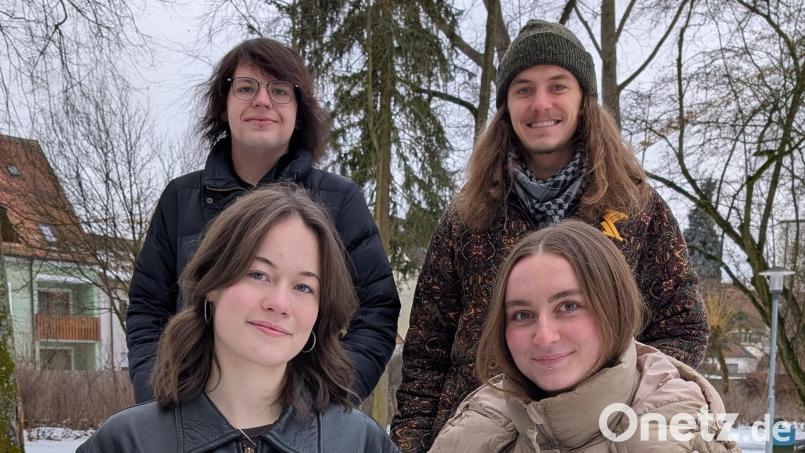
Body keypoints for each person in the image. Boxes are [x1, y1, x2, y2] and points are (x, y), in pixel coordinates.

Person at [392, 19, 709, 452]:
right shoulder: (467, 217)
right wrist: (412, 444)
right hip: (483, 437)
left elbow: (682, 327)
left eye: (557, 86)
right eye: (523, 89)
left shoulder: (638, 208)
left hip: (604, 435)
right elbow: (428, 349)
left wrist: (634, 418)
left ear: (583, 99)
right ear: (506, 105)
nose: (540, 104)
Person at [126, 38, 399, 403]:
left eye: (280, 90)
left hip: (301, 418)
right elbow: (147, 309)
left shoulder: (339, 201)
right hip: (190, 415)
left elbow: (378, 309)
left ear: (299, 110)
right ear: (223, 105)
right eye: (245, 87)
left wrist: (327, 401)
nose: (262, 100)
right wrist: (158, 396)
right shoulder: (180, 199)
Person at [80, 186, 400, 453]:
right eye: (258, 274)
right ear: (211, 284)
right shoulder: (128, 442)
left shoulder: (359, 443)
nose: (278, 303)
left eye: (303, 286)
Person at [429, 221, 738, 453]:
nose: (545, 336)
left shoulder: (678, 436)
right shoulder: (475, 426)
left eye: (569, 306)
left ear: (614, 308)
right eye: (522, 315)